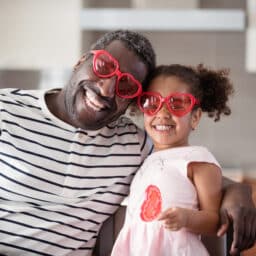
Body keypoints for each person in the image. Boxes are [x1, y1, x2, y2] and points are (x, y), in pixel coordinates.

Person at [0, 30, 254, 256]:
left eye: (127, 85)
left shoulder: (133, 144)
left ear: (131, 102)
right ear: (81, 61)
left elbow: (188, 169)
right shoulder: (6, 109)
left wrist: (240, 192)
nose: (108, 89)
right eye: (104, 66)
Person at [111, 64, 254, 256]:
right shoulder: (145, 159)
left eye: (177, 104)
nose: (162, 113)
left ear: (195, 117)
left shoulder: (197, 160)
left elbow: (214, 221)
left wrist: (186, 218)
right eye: (152, 103)